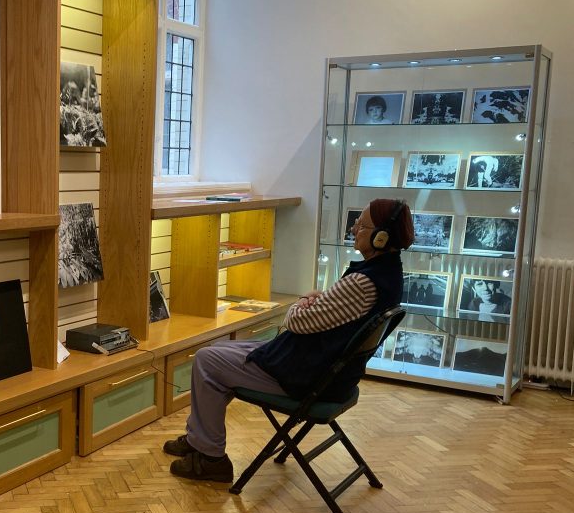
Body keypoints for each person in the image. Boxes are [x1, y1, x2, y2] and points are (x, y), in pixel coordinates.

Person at [163, 199, 415, 482]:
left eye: (362, 224)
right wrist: (318, 303)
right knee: (219, 350)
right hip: (320, 369)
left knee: (207, 360)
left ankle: (210, 458)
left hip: (305, 376)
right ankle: (200, 438)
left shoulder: (363, 282)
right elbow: (331, 314)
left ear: (382, 237)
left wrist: (304, 300)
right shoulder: (388, 273)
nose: (354, 227)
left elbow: (294, 321)